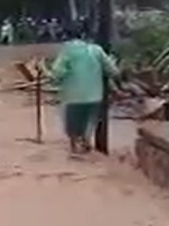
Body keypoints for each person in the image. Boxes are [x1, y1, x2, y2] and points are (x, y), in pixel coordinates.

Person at [50, 23, 120, 154]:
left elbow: (57, 72)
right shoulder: (97, 50)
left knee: (72, 123)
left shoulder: (68, 50)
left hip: (73, 96)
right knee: (90, 120)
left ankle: (75, 145)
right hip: (95, 95)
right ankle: (86, 139)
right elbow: (113, 70)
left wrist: (54, 79)